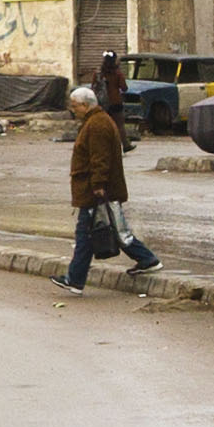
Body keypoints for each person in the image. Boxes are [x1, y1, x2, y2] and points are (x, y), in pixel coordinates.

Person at [64, 85, 158, 294]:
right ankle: (75, 279)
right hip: (96, 189)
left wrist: (98, 186)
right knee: (103, 231)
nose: (73, 110)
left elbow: (100, 159)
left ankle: (75, 279)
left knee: (98, 232)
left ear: (86, 105)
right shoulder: (95, 121)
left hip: (95, 190)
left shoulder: (97, 124)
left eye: (75, 106)